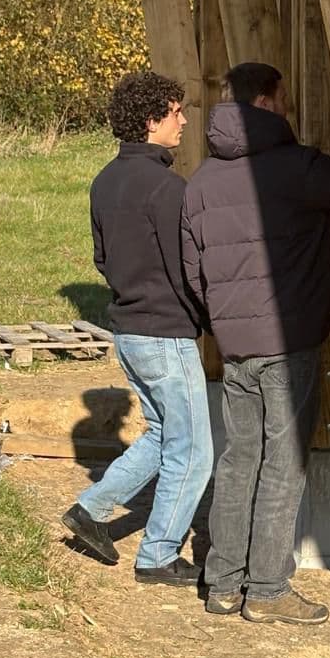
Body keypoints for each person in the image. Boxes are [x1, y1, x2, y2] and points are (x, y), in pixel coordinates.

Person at [181, 61, 330, 625]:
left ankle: (224, 583)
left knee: (239, 460)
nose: (289, 107)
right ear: (264, 101)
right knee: (284, 463)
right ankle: (266, 589)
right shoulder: (294, 167)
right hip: (289, 340)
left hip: (236, 347)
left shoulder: (202, 181)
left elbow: (193, 272)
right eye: (283, 97)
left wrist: (226, 323)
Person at [61, 70, 212, 584]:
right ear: (152, 120)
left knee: (163, 435)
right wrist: (206, 318)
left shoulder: (104, 181)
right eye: (176, 112)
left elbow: (102, 258)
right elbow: (188, 268)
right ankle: (159, 554)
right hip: (166, 332)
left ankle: (89, 511)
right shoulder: (168, 188)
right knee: (193, 450)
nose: (185, 121)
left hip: (127, 329)